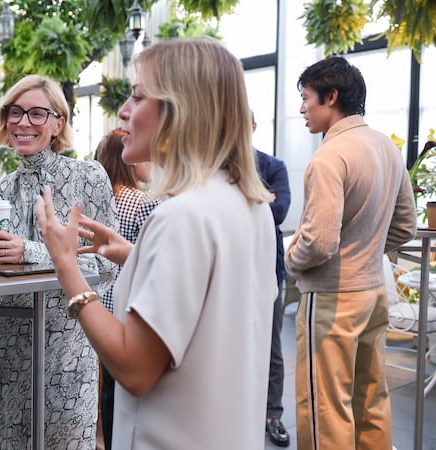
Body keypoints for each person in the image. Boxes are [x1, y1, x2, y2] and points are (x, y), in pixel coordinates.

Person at [35, 37, 278, 449]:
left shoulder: (182, 216)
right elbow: (215, 302)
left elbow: (134, 368)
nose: (123, 112)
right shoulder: (248, 206)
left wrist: (68, 269)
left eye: (136, 96)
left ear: (179, 110)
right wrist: (136, 256)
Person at [0, 74, 118, 448]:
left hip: (67, 354)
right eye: (15, 112)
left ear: (59, 122)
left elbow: (106, 266)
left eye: (37, 113)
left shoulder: (88, 177)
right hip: (9, 349)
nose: (23, 122)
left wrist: (30, 251)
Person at [285, 56, 417, 450]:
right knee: (371, 398)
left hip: (330, 298)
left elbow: (319, 243)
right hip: (373, 291)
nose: (302, 108)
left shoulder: (329, 156)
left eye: (306, 97)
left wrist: (290, 258)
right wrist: (368, 250)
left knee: (325, 405)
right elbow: (406, 225)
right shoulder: (386, 147)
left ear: (332, 96)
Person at [92, 128, 158, 450]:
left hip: (95, 306)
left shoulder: (96, 201)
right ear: (129, 159)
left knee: (102, 393)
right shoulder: (145, 202)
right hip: (126, 308)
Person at [252, 114, 292, 447]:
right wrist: (262, 199)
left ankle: (272, 414)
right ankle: (245, 409)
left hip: (269, 269)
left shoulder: (272, 165)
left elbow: (280, 212)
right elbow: (270, 206)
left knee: (272, 346)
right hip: (232, 272)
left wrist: (243, 200)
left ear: (251, 127)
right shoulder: (216, 166)